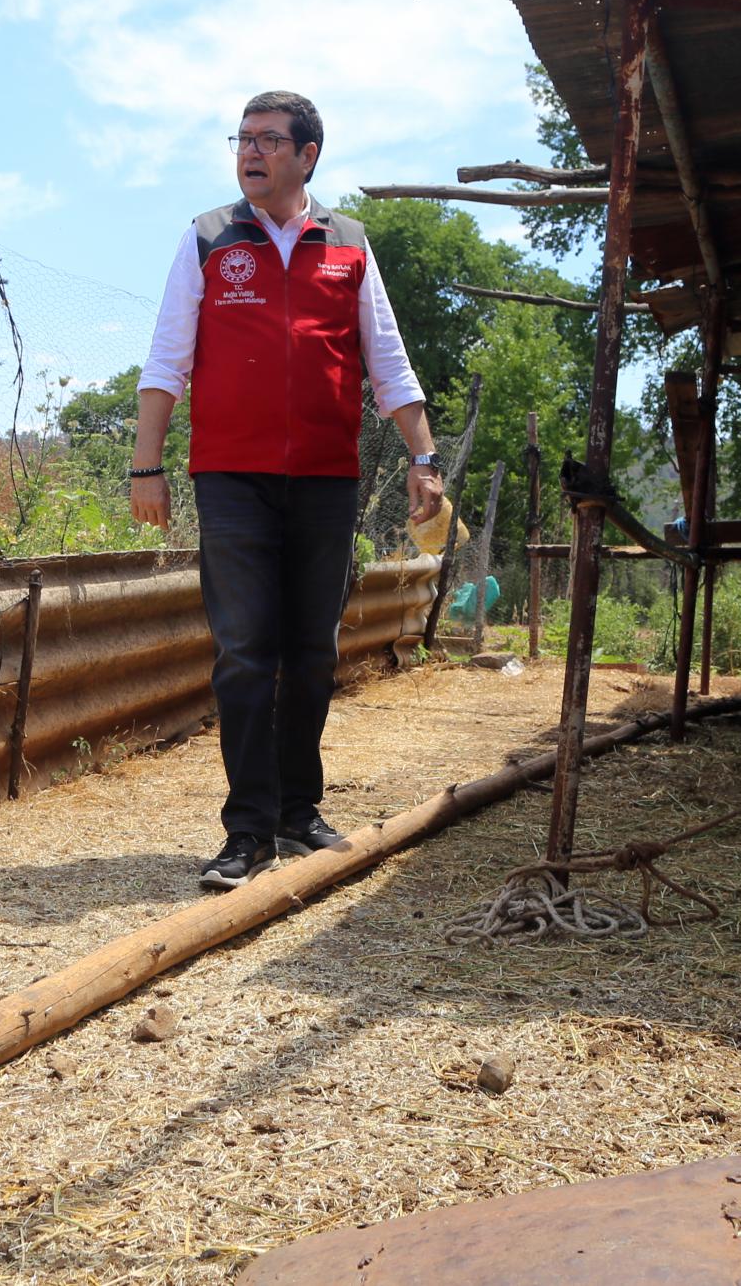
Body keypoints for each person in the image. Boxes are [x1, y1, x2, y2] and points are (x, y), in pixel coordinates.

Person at [131, 91, 443, 890]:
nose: (251, 151)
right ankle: (246, 831)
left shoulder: (349, 246)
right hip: (230, 477)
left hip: (324, 478)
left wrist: (424, 455)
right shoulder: (207, 238)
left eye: (270, 140)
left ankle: (299, 810)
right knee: (243, 650)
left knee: (311, 649)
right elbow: (167, 358)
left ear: (308, 155)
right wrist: (148, 465)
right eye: (244, 138)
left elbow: (389, 362)